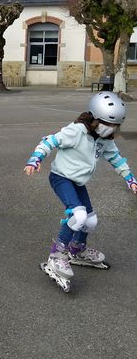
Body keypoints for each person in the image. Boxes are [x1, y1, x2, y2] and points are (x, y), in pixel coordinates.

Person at [24, 91, 137, 292]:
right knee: (79, 215)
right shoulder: (76, 131)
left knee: (91, 220)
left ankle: (76, 250)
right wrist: (35, 159)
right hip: (61, 178)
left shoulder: (105, 139)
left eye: (115, 126)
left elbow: (116, 158)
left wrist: (129, 178)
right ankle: (57, 255)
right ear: (95, 118)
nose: (110, 129)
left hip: (77, 182)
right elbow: (49, 141)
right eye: (107, 124)